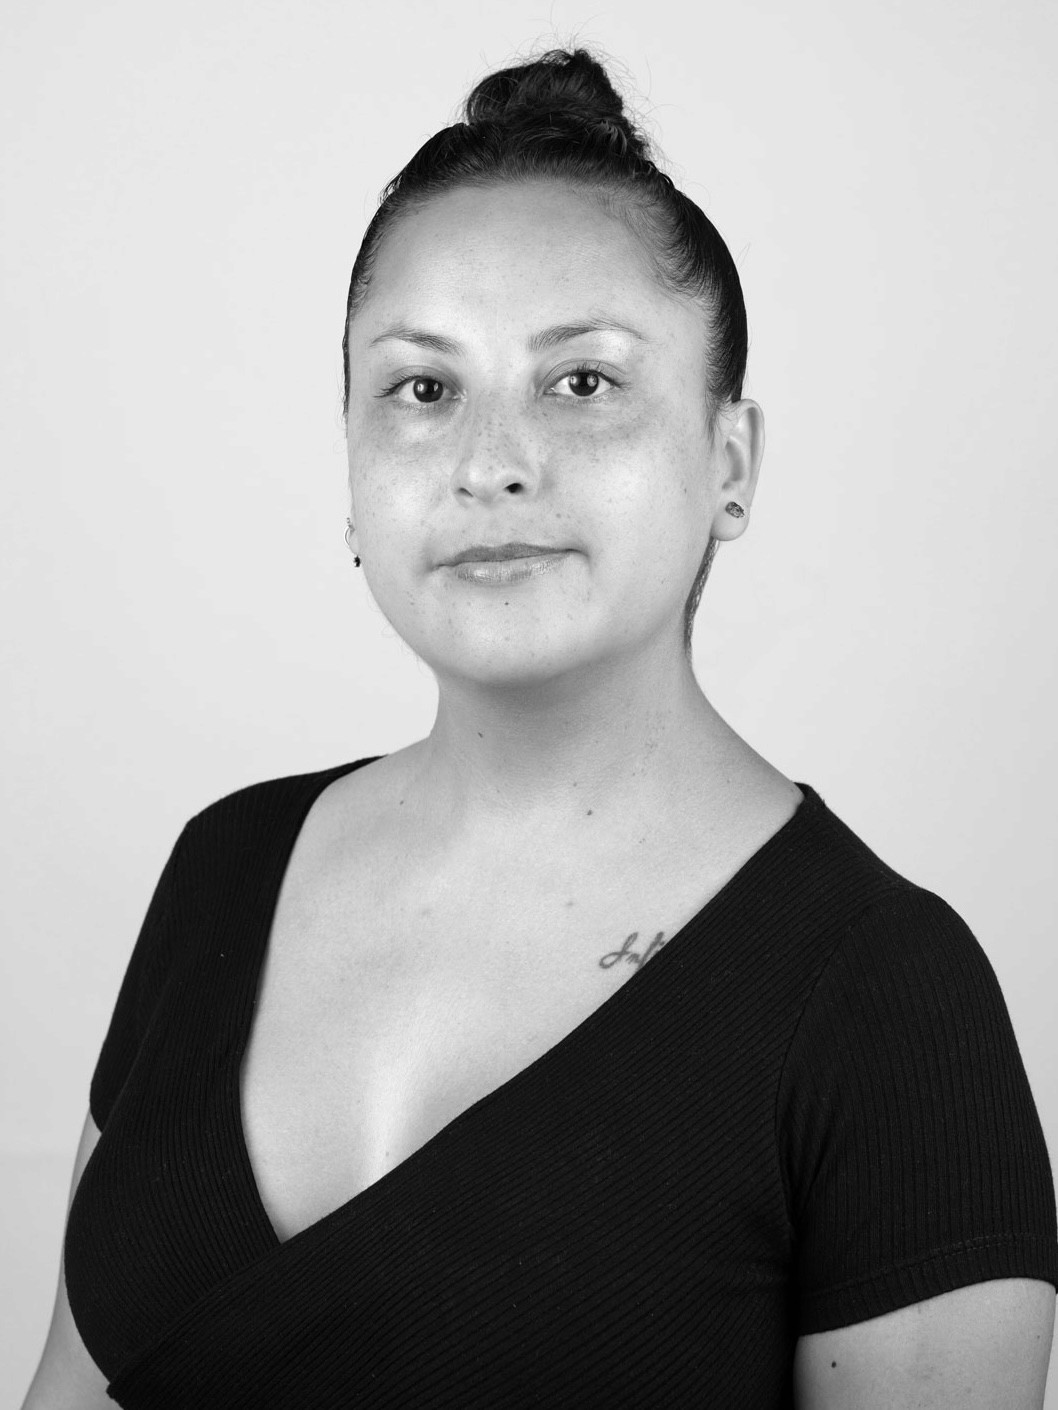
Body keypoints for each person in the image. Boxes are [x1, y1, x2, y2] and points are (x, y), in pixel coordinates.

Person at [22, 44, 1057, 1410]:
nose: (489, 459)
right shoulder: (223, 865)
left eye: (582, 382)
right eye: (421, 387)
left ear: (729, 463)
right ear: (349, 476)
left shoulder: (883, 999)